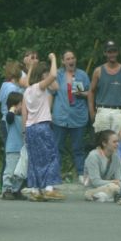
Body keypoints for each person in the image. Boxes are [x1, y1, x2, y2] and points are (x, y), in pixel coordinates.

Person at [21, 53, 64, 201]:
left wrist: (31, 68)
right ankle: (49, 188)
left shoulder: (27, 90)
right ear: (41, 76)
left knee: (34, 159)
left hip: (30, 128)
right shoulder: (39, 88)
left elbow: (24, 112)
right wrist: (53, 59)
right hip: (42, 126)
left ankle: (35, 190)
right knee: (51, 156)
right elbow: (53, 75)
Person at [50, 50, 90, 184]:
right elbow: (51, 93)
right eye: (68, 59)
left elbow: (91, 93)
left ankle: (81, 173)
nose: (71, 61)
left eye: (72, 58)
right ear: (63, 61)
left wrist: (82, 93)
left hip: (78, 117)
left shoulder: (82, 75)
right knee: (57, 147)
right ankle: (55, 174)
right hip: (60, 117)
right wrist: (49, 112)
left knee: (78, 148)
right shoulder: (58, 75)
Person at [88, 40, 121, 133]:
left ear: (117, 52)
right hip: (102, 111)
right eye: (109, 52)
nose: (112, 54)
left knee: (118, 140)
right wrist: (91, 111)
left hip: (119, 112)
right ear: (105, 53)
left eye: (114, 51)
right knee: (101, 139)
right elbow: (91, 91)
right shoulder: (98, 71)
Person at [1, 92, 25, 200]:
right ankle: (7, 189)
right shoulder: (10, 117)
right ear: (15, 105)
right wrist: (12, 109)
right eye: (21, 104)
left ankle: (16, 189)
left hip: (22, 148)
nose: (23, 106)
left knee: (20, 172)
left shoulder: (23, 117)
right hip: (12, 148)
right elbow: (9, 118)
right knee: (10, 171)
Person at [0, 60, 23, 142]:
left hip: (4, 119)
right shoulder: (13, 88)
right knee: (11, 145)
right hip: (10, 120)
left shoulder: (4, 85)